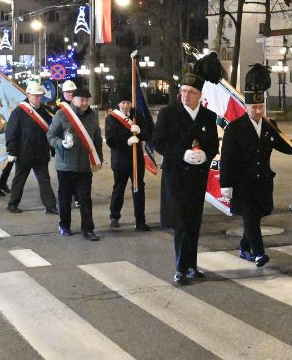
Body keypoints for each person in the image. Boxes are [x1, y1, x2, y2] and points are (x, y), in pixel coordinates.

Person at [219, 64, 292, 267]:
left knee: (255, 218)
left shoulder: (269, 125)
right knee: (251, 218)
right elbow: (227, 158)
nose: (258, 111)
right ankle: (258, 253)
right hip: (242, 183)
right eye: (254, 107)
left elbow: (281, 144)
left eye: (261, 107)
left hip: (262, 181)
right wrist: (225, 184)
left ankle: (245, 247)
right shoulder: (235, 129)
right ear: (246, 107)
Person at [152, 69, 219, 284]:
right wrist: (182, 154)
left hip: (197, 176)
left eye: (190, 92)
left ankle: (192, 265)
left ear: (199, 95)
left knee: (193, 221)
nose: (185, 96)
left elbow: (213, 144)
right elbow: (158, 142)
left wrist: (205, 155)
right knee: (180, 222)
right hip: (176, 176)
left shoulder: (208, 116)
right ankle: (180, 267)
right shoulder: (168, 113)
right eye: (182, 91)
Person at [49, 80, 103, 239]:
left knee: (85, 198)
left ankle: (88, 229)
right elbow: (50, 136)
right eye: (81, 100)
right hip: (65, 165)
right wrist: (60, 143)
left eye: (87, 100)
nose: (84, 103)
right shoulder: (62, 114)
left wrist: (97, 159)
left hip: (85, 165)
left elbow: (97, 139)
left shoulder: (92, 116)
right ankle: (64, 225)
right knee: (65, 198)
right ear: (73, 100)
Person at [5, 82, 58, 214]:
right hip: (24, 153)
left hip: (41, 152)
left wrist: (52, 149)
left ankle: (50, 206)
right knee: (19, 180)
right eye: (35, 96)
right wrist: (12, 150)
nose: (38, 98)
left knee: (45, 180)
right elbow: (11, 132)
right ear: (28, 95)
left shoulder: (46, 111)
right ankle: (12, 204)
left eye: (40, 96)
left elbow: (53, 129)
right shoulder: (19, 111)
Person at [105, 91, 153, 231]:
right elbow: (110, 140)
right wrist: (126, 141)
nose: (126, 105)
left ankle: (140, 220)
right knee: (119, 189)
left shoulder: (137, 115)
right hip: (120, 160)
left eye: (128, 102)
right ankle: (114, 216)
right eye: (123, 103)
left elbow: (148, 133)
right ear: (118, 104)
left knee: (139, 189)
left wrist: (140, 132)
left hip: (136, 159)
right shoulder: (112, 118)